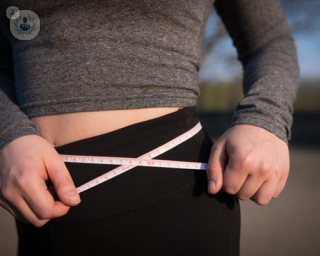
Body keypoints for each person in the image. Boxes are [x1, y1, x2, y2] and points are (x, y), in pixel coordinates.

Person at [0, 0, 299, 255]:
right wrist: (7, 133)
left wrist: (265, 118)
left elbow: (270, 40)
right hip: (29, 198)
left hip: (174, 196)